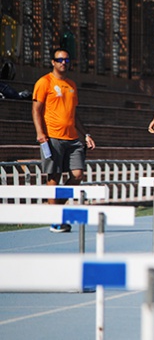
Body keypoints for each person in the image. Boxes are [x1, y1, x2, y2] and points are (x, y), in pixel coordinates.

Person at [32, 48, 96, 233]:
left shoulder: (71, 84)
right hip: (52, 137)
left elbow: (73, 115)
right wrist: (40, 132)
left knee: (77, 175)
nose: (63, 63)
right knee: (54, 177)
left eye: (67, 60)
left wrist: (86, 134)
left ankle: (55, 210)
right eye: (60, 60)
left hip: (73, 138)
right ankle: (56, 220)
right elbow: (36, 110)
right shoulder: (44, 82)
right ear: (53, 62)